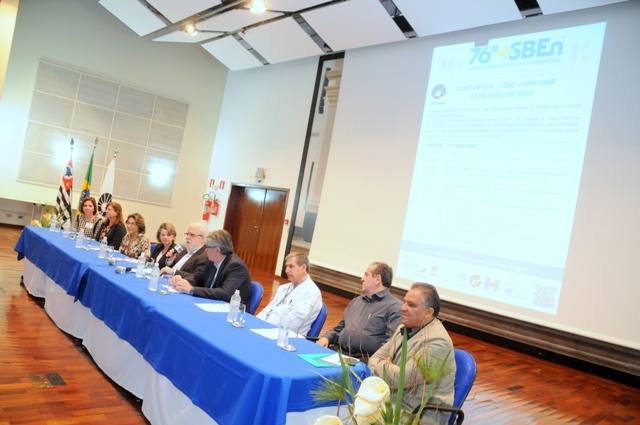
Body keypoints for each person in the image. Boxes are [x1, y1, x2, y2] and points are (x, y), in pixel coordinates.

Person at [369, 283, 456, 425]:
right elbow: (374, 359)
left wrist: (383, 364)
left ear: (428, 312)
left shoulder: (437, 342)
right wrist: (386, 365)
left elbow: (399, 379)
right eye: (404, 302)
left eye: (411, 305)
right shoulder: (403, 328)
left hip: (418, 414)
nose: (403, 308)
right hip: (392, 401)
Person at [317, 261, 402, 363]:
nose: (362, 279)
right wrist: (327, 338)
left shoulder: (394, 307)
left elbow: (390, 344)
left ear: (377, 279)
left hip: (363, 360)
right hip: (338, 352)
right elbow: (340, 328)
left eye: (366, 275)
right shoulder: (356, 301)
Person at [170, 229, 252, 305]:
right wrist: (182, 281)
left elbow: (225, 293)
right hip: (211, 303)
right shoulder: (211, 260)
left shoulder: (236, 266)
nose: (205, 250)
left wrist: (192, 290)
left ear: (217, 250)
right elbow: (198, 278)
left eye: (207, 247)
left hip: (232, 310)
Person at [256, 253, 322, 337]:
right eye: (286, 266)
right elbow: (268, 309)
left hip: (289, 337)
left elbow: (293, 323)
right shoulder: (283, 288)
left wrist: (265, 327)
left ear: (303, 267)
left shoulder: (312, 292)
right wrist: (256, 323)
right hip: (268, 329)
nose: (286, 270)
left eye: (291, 266)